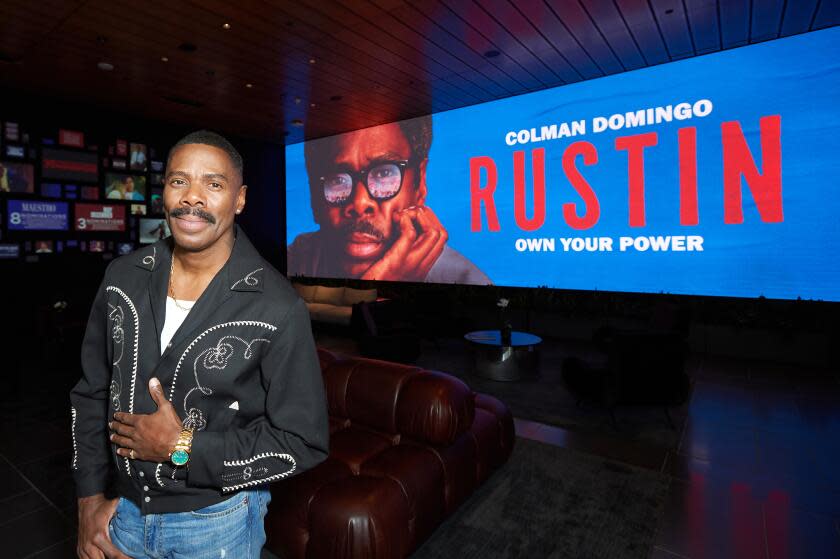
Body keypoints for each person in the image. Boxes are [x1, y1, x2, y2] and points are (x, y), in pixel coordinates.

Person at [71, 130, 329, 559]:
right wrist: (88, 501)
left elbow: (303, 441)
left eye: (213, 183)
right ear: (164, 192)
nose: (192, 198)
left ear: (240, 199)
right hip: (122, 513)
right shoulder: (122, 277)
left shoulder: (277, 306)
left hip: (217, 525)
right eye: (178, 181)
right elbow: (91, 393)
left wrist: (183, 447)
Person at [287, 116, 490, 284]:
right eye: (337, 179)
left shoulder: (467, 282)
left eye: (384, 173)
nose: (359, 203)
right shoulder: (296, 259)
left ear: (420, 183)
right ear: (314, 196)